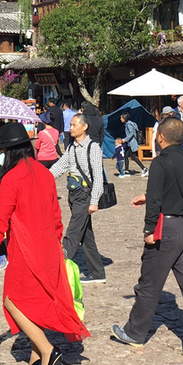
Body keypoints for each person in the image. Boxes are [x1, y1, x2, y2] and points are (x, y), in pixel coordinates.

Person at [0, 122, 90, 365]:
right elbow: (57, 217)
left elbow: (0, 222)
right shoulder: (45, 173)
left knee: (13, 301)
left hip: (26, 250)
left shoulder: (11, 179)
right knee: (33, 304)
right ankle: (35, 357)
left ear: (9, 151)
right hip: (49, 247)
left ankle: (48, 350)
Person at [111, 116, 183, 361]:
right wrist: (149, 196)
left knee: (149, 284)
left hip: (166, 229)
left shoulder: (160, 163)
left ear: (161, 137)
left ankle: (134, 332)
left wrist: (148, 231)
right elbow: (181, 192)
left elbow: (155, 201)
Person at [50, 113, 107, 285]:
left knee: (73, 232)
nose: (71, 128)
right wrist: (42, 178)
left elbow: (98, 176)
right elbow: (60, 166)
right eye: (71, 125)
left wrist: (94, 200)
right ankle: (97, 273)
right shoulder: (72, 147)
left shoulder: (93, 148)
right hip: (73, 194)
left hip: (85, 195)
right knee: (86, 236)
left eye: (75, 125)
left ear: (85, 127)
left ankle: (58, 267)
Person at [119, 111, 145, 177]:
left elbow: (131, 133)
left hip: (131, 143)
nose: (120, 119)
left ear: (124, 118)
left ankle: (144, 169)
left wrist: (125, 139)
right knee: (126, 156)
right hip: (129, 143)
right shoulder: (129, 124)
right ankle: (127, 169)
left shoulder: (129, 125)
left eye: (121, 117)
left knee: (133, 157)